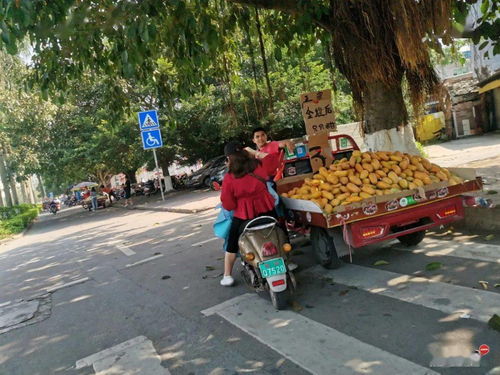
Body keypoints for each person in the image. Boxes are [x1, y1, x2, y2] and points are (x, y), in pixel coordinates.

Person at [219, 141, 281, 287]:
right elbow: (274, 161)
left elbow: (228, 204)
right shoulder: (258, 167)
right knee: (279, 231)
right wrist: (255, 152)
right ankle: (287, 261)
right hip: (267, 209)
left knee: (231, 243)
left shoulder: (229, 177)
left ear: (229, 158)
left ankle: (227, 275)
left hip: (243, 215)